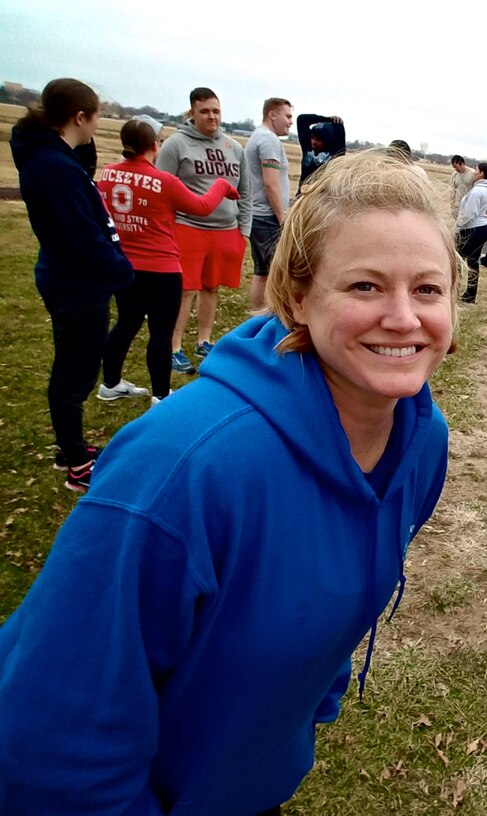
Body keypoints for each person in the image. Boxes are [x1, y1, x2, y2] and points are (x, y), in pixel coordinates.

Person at [0, 151, 458, 815]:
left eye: (427, 289)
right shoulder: (181, 470)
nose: (403, 316)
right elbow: (49, 739)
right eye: (364, 286)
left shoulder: (421, 440)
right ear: (296, 293)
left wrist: (291, 716)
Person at [8, 78, 134, 492]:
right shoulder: (54, 168)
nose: (97, 127)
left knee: (76, 366)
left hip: (75, 280)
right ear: (80, 116)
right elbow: (81, 234)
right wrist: (120, 271)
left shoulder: (55, 159)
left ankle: (71, 446)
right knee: (75, 372)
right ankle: (77, 466)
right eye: (95, 118)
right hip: (75, 284)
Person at [97, 117, 240, 406]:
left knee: (125, 323)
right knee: (161, 332)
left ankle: (110, 383)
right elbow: (201, 206)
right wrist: (222, 185)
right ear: (154, 146)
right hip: (161, 269)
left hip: (125, 265)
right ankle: (161, 394)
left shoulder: (108, 174)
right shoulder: (164, 181)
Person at [157, 87, 252, 375]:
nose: (212, 117)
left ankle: (204, 340)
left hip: (226, 230)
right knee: (186, 290)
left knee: (211, 286)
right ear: (192, 113)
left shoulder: (234, 148)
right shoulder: (176, 145)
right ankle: (173, 348)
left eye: (216, 111)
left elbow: (246, 191)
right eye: (205, 111)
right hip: (189, 227)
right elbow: (162, 189)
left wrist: (243, 230)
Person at [244, 97, 293, 310]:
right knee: (276, 271)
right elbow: (270, 183)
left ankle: (258, 316)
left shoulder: (259, 136)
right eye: (287, 116)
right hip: (267, 216)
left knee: (262, 271)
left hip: (258, 215)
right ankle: (268, 317)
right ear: (272, 115)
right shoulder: (269, 141)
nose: (290, 122)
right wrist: (282, 216)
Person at [455, 162, 487, 304]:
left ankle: (455, 288)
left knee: (457, 258)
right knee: (473, 261)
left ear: (482, 173)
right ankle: (470, 293)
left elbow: (468, 213)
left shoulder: (478, 191)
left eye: (476, 170)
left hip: (473, 228)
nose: (474, 172)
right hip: (483, 227)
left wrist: (458, 226)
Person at [297, 113, 345, 190]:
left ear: (327, 141)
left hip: (321, 199)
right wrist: (327, 119)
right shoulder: (307, 146)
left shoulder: (336, 153)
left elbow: (339, 135)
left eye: (318, 139)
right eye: (312, 137)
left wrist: (337, 123)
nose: (314, 142)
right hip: (303, 195)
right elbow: (302, 119)